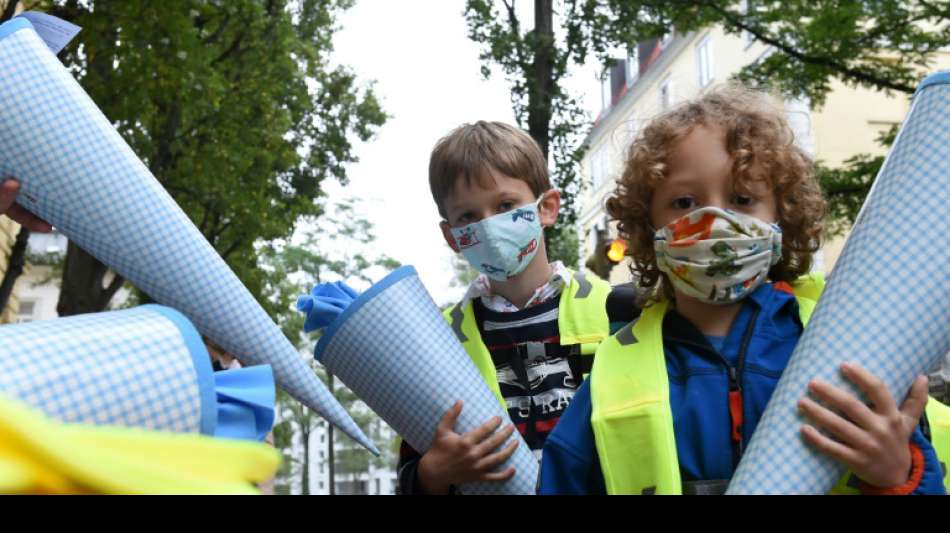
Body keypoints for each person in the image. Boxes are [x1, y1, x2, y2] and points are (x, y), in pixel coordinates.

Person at [537, 84, 948, 495]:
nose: (713, 219)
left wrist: (900, 475)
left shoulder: (836, 348)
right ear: (648, 225)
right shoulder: (613, 373)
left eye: (741, 197)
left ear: (781, 218)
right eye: (684, 202)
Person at [396, 121, 615, 494]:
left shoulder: (615, 309)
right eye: (468, 216)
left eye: (505, 205)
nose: (489, 226)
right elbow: (412, 471)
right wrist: (431, 473)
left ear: (546, 208)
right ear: (451, 237)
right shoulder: (437, 341)